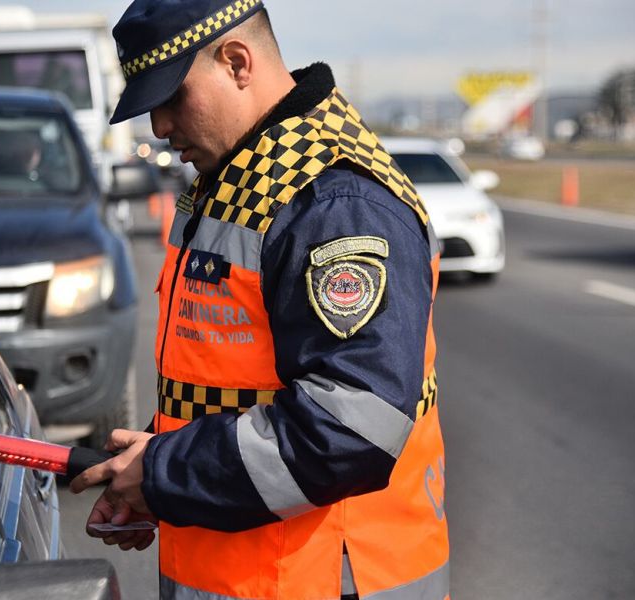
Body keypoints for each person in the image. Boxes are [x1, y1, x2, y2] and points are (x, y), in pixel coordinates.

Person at [69, 1, 449, 598]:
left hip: (319, 579)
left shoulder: (333, 204)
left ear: (237, 62)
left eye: (172, 97)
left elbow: (350, 430)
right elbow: (233, 376)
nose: (160, 127)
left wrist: (165, 472)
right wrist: (151, 460)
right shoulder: (238, 178)